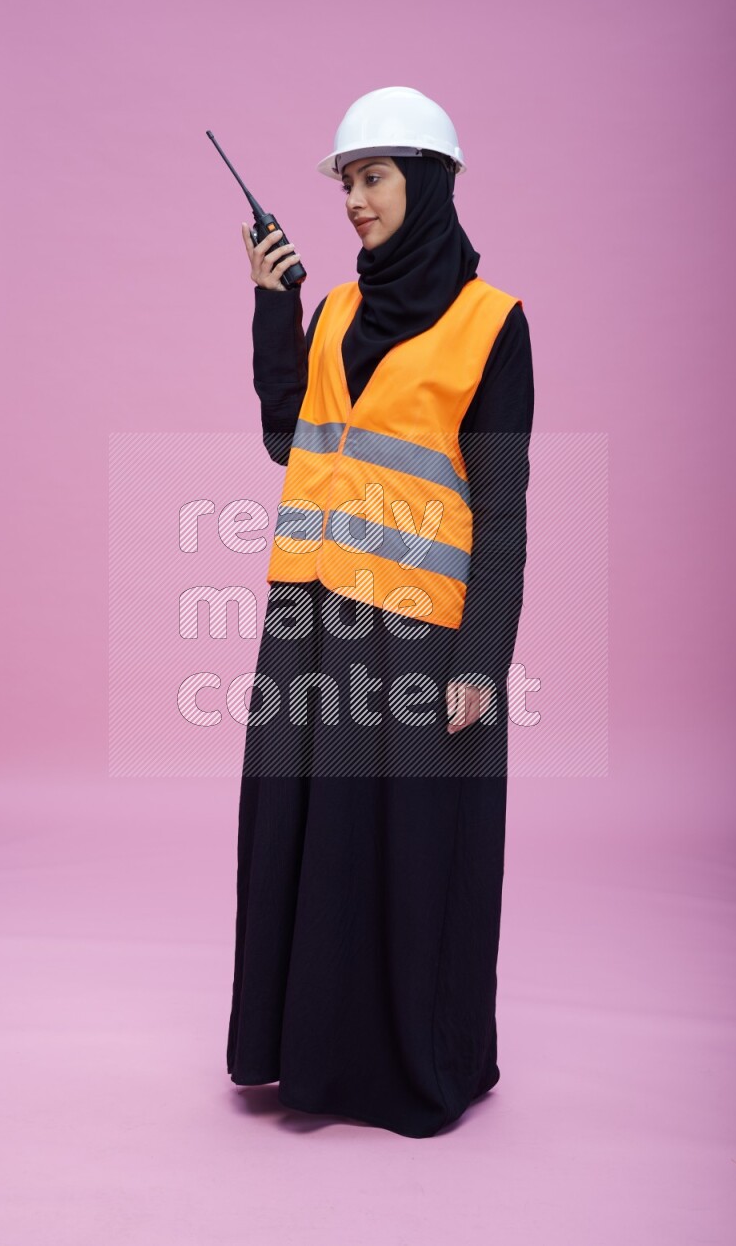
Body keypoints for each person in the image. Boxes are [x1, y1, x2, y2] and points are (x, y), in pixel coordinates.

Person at [226, 86, 535, 1138]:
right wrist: (275, 306)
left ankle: (408, 1066)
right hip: (308, 619)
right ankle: (306, 1060)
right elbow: (289, 438)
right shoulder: (338, 312)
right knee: (312, 837)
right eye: (346, 182)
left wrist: (478, 665)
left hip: (416, 633)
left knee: (405, 848)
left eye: (372, 177)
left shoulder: (492, 325)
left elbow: (499, 510)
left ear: (428, 182)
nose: (354, 200)